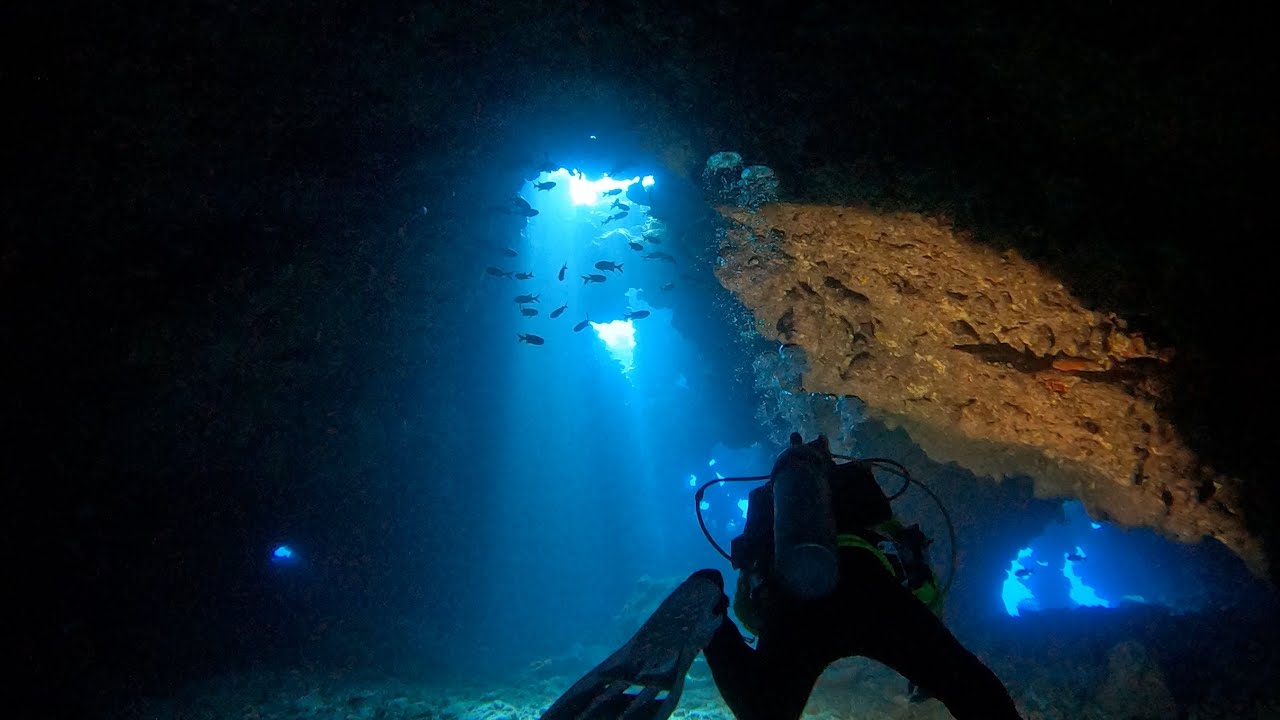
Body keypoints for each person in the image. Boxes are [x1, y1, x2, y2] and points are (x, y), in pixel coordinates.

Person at [542, 433, 1023, 720]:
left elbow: (752, 577)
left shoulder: (769, 504)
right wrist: (931, 663)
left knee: (764, 714)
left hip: (794, 603)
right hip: (869, 591)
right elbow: (915, 567)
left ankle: (708, 607)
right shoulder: (857, 484)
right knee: (974, 691)